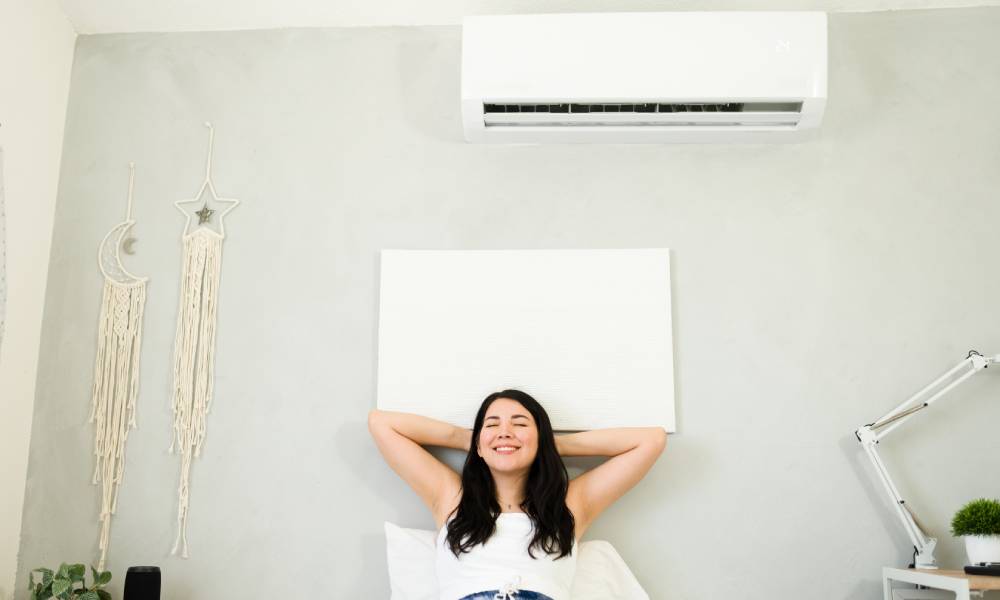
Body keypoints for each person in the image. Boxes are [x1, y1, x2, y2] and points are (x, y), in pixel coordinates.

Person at [369, 389, 667, 600]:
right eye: (492, 424)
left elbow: (650, 440)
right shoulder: (452, 499)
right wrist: (470, 440)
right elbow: (381, 423)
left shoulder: (568, 506)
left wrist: (547, 445)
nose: (505, 431)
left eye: (520, 424)